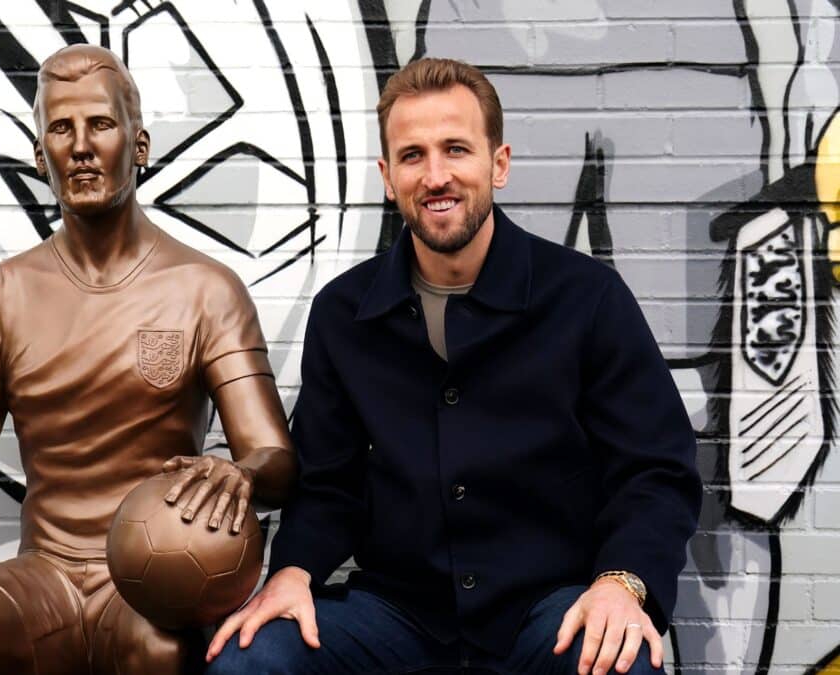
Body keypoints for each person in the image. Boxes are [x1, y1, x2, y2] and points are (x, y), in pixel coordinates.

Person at [205, 58, 702, 675]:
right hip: (399, 614)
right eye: (412, 156)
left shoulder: (587, 298)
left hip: (548, 610)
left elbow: (657, 468)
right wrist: (291, 574)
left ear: (498, 163)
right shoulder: (344, 313)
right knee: (249, 659)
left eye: (456, 149)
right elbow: (327, 482)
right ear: (388, 177)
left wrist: (621, 585)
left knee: (613, 657)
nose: (435, 175)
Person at [0, 44, 295, 675]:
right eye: (60, 127)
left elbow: (276, 458)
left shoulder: (205, 289)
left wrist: (241, 474)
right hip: (42, 576)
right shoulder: (4, 295)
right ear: (39, 154)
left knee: (158, 650)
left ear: (139, 146)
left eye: (100, 124)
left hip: (147, 584)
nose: (80, 145)